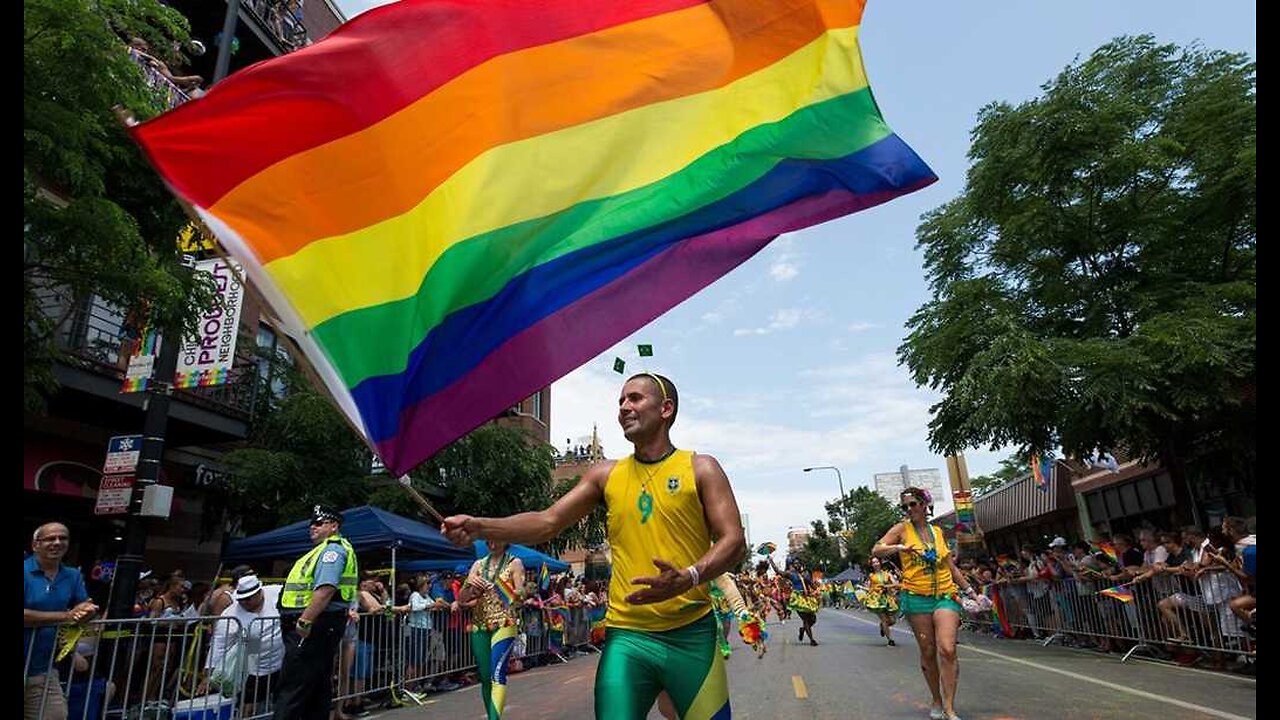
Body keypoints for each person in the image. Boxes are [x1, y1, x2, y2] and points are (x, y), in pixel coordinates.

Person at [442, 373, 745, 720]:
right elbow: (548, 521)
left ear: (666, 409)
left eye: (635, 398)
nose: (624, 407)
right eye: (621, 401)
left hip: (691, 635)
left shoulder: (701, 468)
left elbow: (733, 540)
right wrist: (479, 526)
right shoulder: (606, 475)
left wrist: (690, 576)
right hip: (629, 637)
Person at [874, 487, 978, 720]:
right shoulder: (901, 529)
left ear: (924, 505)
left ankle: (949, 707)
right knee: (928, 651)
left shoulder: (937, 532)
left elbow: (950, 567)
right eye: (904, 506)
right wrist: (898, 547)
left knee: (948, 649)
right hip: (917, 597)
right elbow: (877, 549)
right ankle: (936, 699)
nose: (909, 509)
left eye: (913, 504)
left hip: (945, 595)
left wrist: (971, 593)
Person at [273, 505, 358, 720]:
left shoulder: (332, 551)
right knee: (315, 686)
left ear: (334, 526)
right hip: (322, 624)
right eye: (312, 523)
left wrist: (305, 620)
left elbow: (326, 588)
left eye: (319, 523)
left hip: (314, 625)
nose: (313, 527)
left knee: (293, 687)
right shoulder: (326, 549)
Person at [25, 522, 98, 720]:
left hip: (42, 668)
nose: (57, 542)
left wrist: (87, 612)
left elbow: (82, 608)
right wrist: (66, 616)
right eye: (50, 538)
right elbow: (69, 615)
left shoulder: (72, 575)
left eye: (63, 538)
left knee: (55, 715)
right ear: (35, 545)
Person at [456, 541, 525, 719]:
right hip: (480, 625)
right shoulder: (478, 564)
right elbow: (462, 600)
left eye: (496, 538)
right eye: (489, 539)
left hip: (504, 623)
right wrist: (469, 584)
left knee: (497, 674)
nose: (492, 543)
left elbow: (521, 595)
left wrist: (504, 589)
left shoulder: (514, 563)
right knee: (486, 677)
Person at [202, 574, 284, 715]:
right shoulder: (231, 614)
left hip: (280, 662)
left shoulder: (276, 593)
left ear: (259, 593)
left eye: (248, 598)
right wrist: (208, 674)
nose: (244, 602)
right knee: (249, 704)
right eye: (241, 599)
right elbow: (219, 644)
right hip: (252, 667)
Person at [863, 556, 901, 646]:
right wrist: (865, 589)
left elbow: (895, 584)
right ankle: (890, 640)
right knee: (884, 619)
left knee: (892, 621)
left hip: (887, 598)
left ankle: (882, 626)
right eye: (873, 563)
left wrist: (888, 587)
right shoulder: (871, 576)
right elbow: (869, 587)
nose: (876, 564)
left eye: (877, 562)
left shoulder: (887, 574)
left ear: (880, 563)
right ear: (871, 565)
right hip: (877, 599)